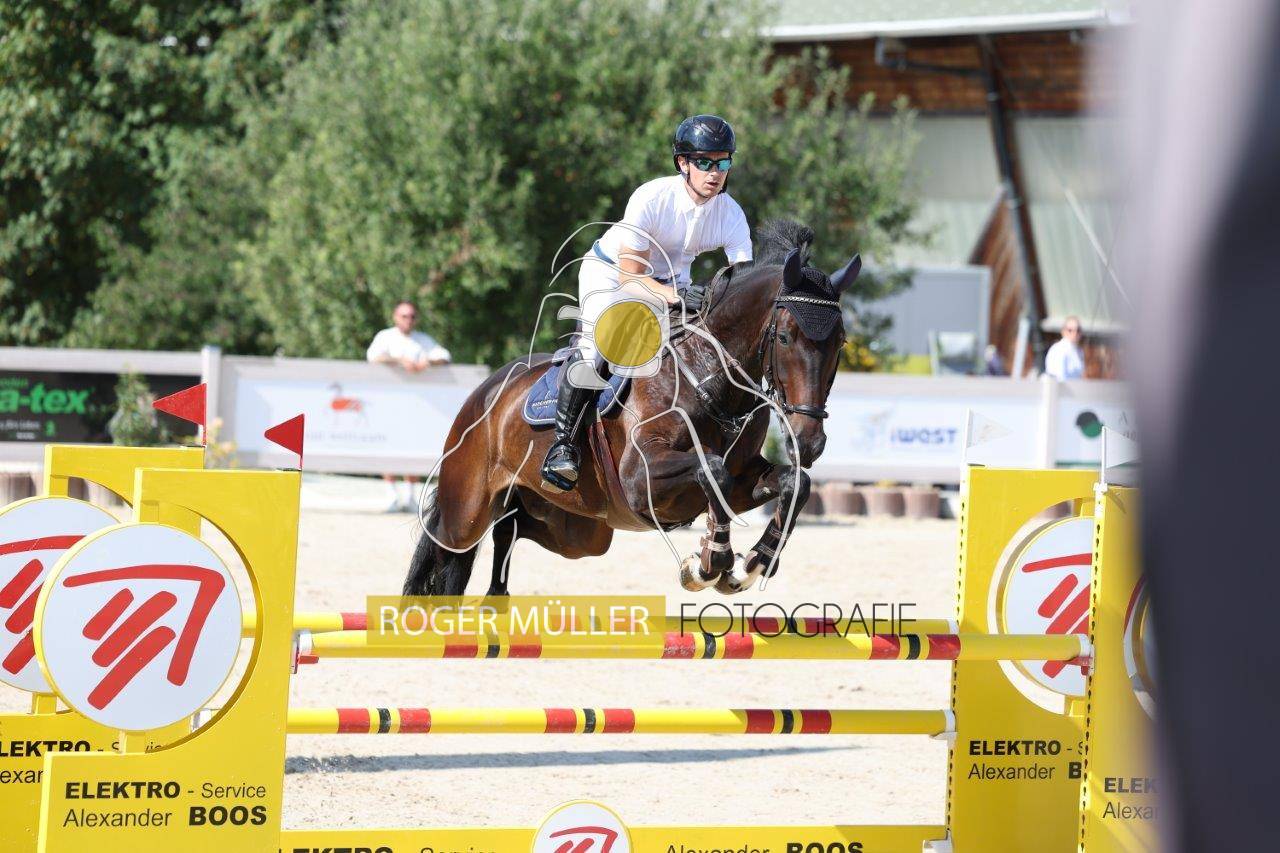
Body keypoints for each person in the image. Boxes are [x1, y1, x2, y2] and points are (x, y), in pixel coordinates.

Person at [540, 114, 753, 492]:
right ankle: (563, 446)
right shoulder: (652, 198)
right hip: (611, 274)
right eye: (704, 162)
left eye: (723, 163)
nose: (715, 173)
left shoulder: (731, 214)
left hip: (672, 282)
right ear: (683, 163)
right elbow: (630, 278)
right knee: (596, 345)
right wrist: (677, 296)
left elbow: (743, 281)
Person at [367, 300, 451, 511]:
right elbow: (373, 356)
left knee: (413, 442)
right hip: (388, 401)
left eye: (412, 316)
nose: (408, 320)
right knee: (388, 444)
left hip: (416, 404)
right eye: (404, 316)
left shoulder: (422, 340)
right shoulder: (385, 337)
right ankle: (392, 494)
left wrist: (427, 362)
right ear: (395, 317)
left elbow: (444, 356)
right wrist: (399, 360)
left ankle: (411, 495)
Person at [1043, 315, 1085, 380]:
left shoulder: (1079, 351)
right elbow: (1060, 377)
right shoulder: (1058, 349)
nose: (1075, 333)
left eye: (1078, 330)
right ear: (1063, 331)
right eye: (1070, 330)